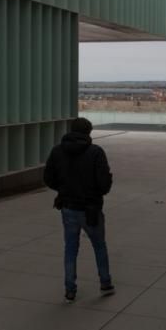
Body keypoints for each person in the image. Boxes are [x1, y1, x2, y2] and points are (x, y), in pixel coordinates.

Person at [43, 117, 114, 303]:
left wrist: (63, 190)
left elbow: (48, 178)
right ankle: (105, 283)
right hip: (91, 208)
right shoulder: (96, 152)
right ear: (89, 132)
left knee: (70, 249)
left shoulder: (58, 151)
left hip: (68, 207)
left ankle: (70, 289)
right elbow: (104, 184)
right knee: (99, 246)